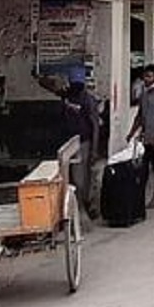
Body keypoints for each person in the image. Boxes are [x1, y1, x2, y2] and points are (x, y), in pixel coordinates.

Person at [127, 65, 154, 208]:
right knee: (144, 168)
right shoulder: (144, 94)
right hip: (146, 137)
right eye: (145, 76)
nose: (146, 79)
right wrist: (131, 132)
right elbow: (140, 115)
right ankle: (142, 198)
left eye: (150, 76)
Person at [59, 68, 100, 213]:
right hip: (67, 143)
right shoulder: (67, 96)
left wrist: (94, 149)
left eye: (78, 83)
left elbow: (95, 125)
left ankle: (83, 208)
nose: (75, 86)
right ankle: (78, 208)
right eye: (73, 83)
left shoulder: (88, 99)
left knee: (80, 179)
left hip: (83, 142)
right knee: (70, 178)